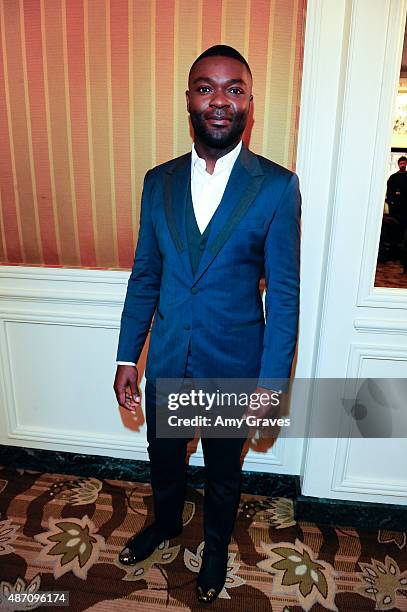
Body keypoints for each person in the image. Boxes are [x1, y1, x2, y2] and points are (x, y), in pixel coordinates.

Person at [113, 45, 301, 603]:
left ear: (248, 101)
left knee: (223, 474)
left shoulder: (275, 186)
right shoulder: (158, 182)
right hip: (169, 360)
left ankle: (215, 547)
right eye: (206, 87)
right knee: (164, 461)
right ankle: (166, 523)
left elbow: (285, 296)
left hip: (233, 369)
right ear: (189, 99)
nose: (219, 100)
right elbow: (145, 274)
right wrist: (129, 355)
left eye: (233, 88)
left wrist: (271, 388)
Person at [384, 156, 407, 270]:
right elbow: (389, 192)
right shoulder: (393, 177)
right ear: (398, 164)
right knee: (393, 232)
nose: (403, 164)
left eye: (404, 163)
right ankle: (392, 255)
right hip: (394, 210)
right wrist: (391, 203)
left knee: (403, 234)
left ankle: (400, 256)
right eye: (401, 163)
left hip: (405, 211)